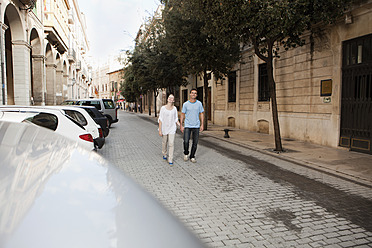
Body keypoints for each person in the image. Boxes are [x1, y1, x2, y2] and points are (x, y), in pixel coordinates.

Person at [180, 89, 204, 163]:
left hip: (196, 126)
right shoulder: (185, 104)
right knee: (186, 141)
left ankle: (192, 156)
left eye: (195, 93)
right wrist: (181, 125)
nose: (193, 94)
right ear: (190, 94)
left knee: (195, 142)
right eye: (192, 93)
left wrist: (202, 124)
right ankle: (186, 153)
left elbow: (201, 113)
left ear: (196, 95)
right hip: (187, 125)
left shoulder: (199, 104)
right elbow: (182, 114)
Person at [158, 94, 180, 166]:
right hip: (164, 128)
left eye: (172, 98)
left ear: (173, 100)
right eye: (169, 98)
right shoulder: (163, 108)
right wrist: (160, 130)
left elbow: (176, 118)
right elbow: (160, 119)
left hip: (172, 128)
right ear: (167, 99)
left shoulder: (174, 109)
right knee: (164, 142)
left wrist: (180, 124)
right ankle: (164, 153)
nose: (170, 99)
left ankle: (170, 158)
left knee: (171, 143)